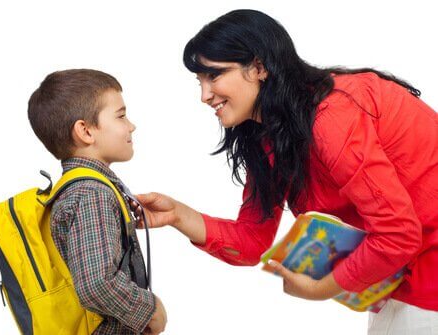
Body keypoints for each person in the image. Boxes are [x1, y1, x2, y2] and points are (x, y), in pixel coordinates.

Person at [133, 9, 437, 334]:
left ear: (259, 68)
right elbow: (252, 241)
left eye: (214, 76)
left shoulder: (331, 118)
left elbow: (398, 235)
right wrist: (177, 215)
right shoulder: (269, 133)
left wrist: (321, 288)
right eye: (200, 80)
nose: (204, 96)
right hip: (400, 281)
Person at [27, 69, 167, 335]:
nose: (131, 125)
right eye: (121, 115)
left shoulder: (84, 189)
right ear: (86, 131)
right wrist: (150, 309)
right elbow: (96, 284)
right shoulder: (92, 193)